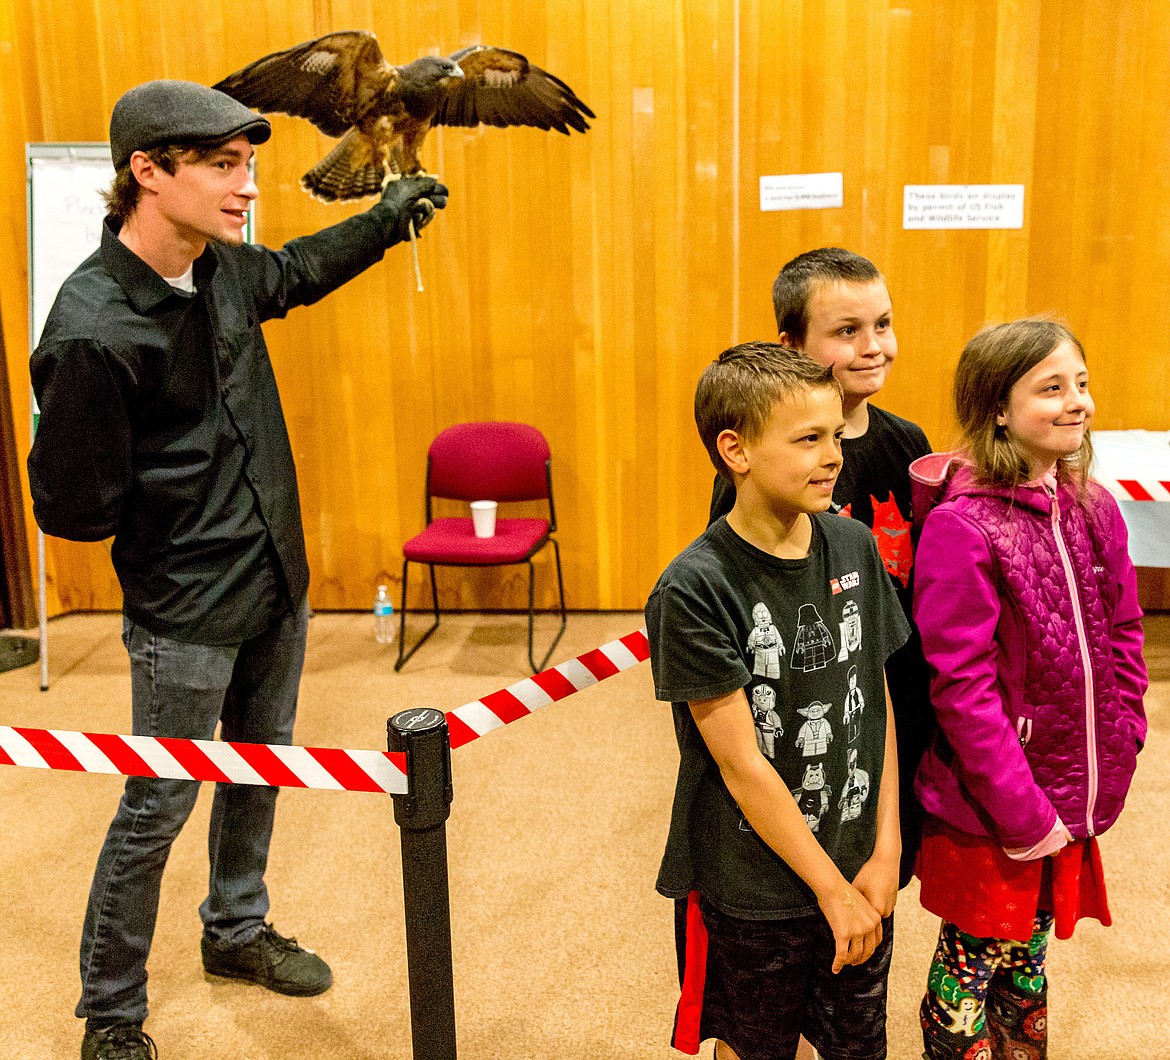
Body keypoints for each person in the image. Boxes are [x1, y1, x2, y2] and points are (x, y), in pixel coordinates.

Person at [26, 79, 448, 1060]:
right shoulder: (92, 327)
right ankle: (111, 1010)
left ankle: (237, 929)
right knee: (157, 803)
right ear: (148, 171)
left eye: (247, 164)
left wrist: (387, 220)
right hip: (184, 612)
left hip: (275, 577)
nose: (244, 186)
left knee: (261, 769)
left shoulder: (215, 267)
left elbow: (293, 272)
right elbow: (71, 508)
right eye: (223, 166)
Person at [646, 343, 911, 1060]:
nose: (833, 456)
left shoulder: (854, 544)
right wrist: (829, 890)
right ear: (735, 450)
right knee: (753, 1046)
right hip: (755, 891)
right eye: (808, 440)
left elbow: (873, 704)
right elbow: (741, 767)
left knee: (858, 1045)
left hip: (859, 867)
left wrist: (887, 851)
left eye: (834, 436)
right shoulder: (693, 590)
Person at [908, 318, 1147, 1059]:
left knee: (1028, 958)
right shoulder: (963, 527)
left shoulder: (1095, 506)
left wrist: (1125, 734)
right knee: (973, 961)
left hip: (1071, 784)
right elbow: (962, 690)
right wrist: (1020, 808)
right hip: (992, 806)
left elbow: (1125, 631)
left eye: (1081, 383)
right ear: (998, 410)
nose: (1077, 402)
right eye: (1051, 388)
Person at [709, 249, 933, 890]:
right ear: (792, 344)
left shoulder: (907, 442)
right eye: (846, 331)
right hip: (807, 700)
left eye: (883, 324)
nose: (874, 347)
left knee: (883, 869)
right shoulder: (764, 469)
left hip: (891, 694)